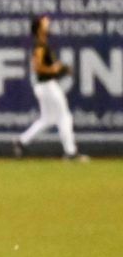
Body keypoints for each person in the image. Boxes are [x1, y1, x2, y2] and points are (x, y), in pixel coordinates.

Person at [13, 14, 88, 161]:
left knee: (47, 119)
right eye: (45, 23)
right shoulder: (40, 45)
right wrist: (55, 69)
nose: (48, 24)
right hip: (48, 86)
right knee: (64, 116)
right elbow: (38, 66)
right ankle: (71, 152)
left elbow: (46, 66)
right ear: (39, 28)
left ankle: (21, 141)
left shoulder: (42, 44)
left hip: (43, 86)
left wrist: (60, 68)